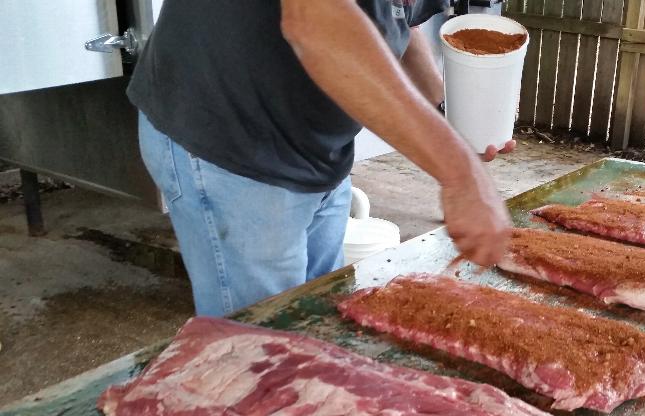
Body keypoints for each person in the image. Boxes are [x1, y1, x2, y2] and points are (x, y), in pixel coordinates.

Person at [129, 0, 513, 316]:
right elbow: (319, 21)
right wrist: (459, 172)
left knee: (316, 316)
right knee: (262, 350)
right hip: (231, 139)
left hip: (317, 152)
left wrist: (447, 117)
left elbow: (399, 22)